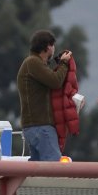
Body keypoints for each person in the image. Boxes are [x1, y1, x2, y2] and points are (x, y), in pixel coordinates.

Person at [17, 30, 72, 161]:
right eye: (53, 45)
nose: (54, 48)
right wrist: (64, 64)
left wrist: (58, 63)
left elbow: (48, 76)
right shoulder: (33, 62)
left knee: (37, 172)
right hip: (41, 127)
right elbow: (55, 81)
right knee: (53, 170)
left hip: (34, 127)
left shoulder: (33, 64)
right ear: (48, 46)